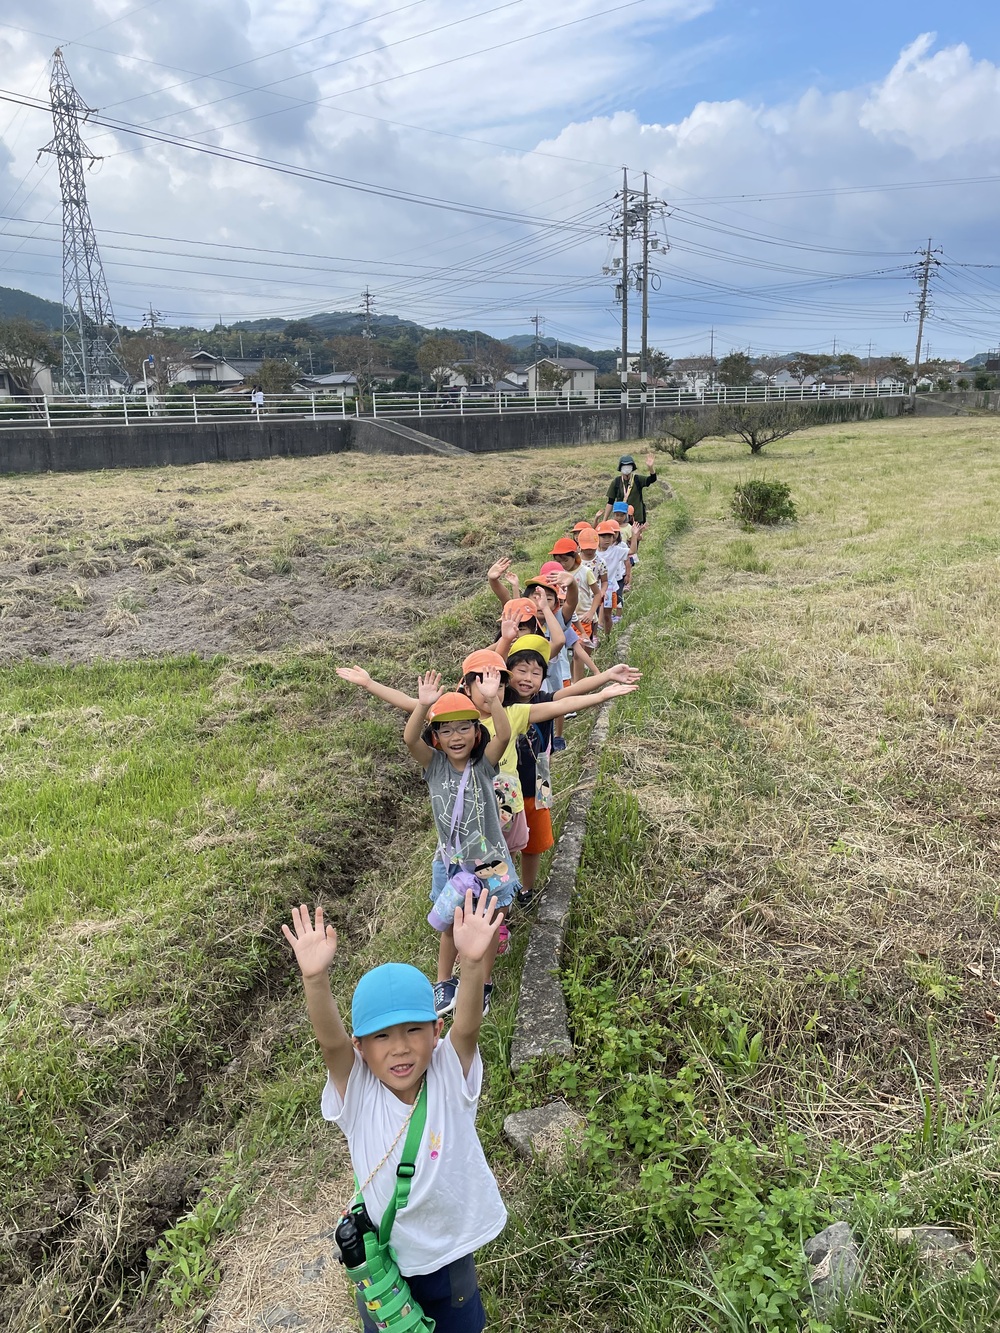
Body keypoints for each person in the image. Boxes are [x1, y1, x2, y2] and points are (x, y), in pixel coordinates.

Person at [282, 895, 505, 1333]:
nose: (400, 1047)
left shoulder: (447, 1072)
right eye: (381, 1036)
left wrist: (474, 965)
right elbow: (331, 1044)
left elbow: (469, 1026)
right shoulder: (359, 1091)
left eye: (413, 1030)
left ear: (436, 1030)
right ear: (360, 1048)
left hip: (449, 1262)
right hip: (387, 1265)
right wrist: (314, 979)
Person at [404, 669, 517, 1017]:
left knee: (489, 924)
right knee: (453, 924)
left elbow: (505, 735)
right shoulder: (434, 766)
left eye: (465, 727)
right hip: (451, 862)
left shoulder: (483, 766)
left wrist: (494, 699)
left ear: (476, 731)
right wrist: (423, 706)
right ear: (435, 737)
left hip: (491, 860)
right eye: (446, 729)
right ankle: (444, 985)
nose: (456, 736)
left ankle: (481, 986)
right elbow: (410, 740)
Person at [601, 453, 657, 526]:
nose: (626, 468)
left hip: (637, 519)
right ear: (620, 468)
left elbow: (652, 479)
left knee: (636, 537)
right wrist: (604, 521)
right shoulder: (616, 482)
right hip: (621, 519)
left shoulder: (637, 479)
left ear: (632, 467)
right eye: (624, 466)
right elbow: (610, 502)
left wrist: (650, 468)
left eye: (628, 466)